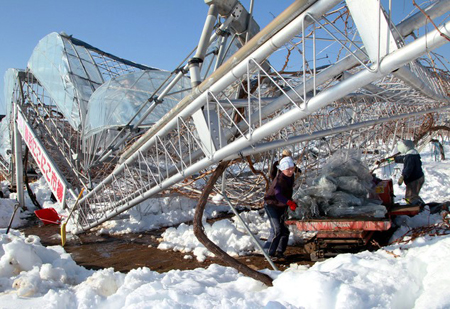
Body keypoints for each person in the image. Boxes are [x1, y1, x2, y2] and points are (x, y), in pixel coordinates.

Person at [263, 156, 297, 260]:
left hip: (281, 206)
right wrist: (289, 202)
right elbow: (278, 195)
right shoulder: (279, 180)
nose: (291, 171)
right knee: (276, 229)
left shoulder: (290, 177)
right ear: (282, 169)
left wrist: (292, 201)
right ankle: (268, 253)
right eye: (288, 169)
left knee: (284, 230)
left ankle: (279, 251)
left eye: (292, 168)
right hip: (271, 205)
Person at [394, 140, 425, 206]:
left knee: (410, 197)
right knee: (413, 195)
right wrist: (393, 159)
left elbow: (408, 168)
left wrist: (402, 176)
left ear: (405, 147)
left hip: (414, 180)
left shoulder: (410, 157)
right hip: (418, 178)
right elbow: (404, 159)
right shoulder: (413, 154)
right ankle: (420, 206)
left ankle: (415, 209)